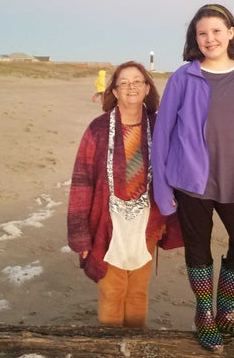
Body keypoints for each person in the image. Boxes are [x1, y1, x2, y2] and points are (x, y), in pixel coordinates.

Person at [151, 3, 234, 352]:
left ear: (231, 32)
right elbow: (162, 134)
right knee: (198, 250)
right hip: (191, 182)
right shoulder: (183, 78)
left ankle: (228, 314)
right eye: (202, 33)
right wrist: (161, 188)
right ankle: (205, 314)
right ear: (195, 39)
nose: (210, 38)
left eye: (217, 31)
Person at [67, 61, 167, 328]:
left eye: (137, 81)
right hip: (106, 224)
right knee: (112, 291)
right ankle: (110, 348)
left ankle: (134, 346)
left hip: (147, 224)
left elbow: (178, 170)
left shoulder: (161, 126)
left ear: (147, 88)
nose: (131, 87)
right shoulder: (98, 129)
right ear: (115, 90)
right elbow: (81, 182)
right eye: (124, 82)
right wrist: (80, 236)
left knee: (137, 292)